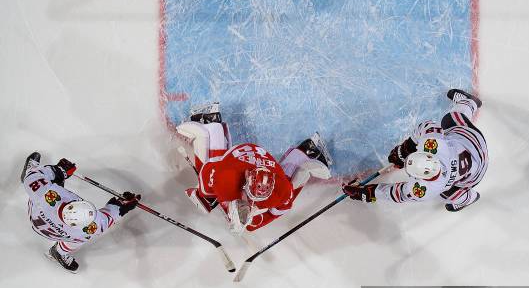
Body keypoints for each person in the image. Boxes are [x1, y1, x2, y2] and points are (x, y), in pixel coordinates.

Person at [175, 103, 331, 233]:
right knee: (212, 174)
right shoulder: (227, 177)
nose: (251, 202)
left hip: (265, 162)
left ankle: (309, 152)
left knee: (253, 221)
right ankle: (210, 123)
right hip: (239, 156)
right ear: (246, 179)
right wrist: (203, 195)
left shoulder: (281, 191)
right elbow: (207, 170)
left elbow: (278, 211)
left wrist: (253, 219)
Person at [342, 89, 488, 212]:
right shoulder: (434, 151)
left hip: (472, 163)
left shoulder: (426, 187)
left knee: (446, 192)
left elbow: (397, 194)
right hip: (473, 146)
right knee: (450, 121)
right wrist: (366, 192)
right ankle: (469, 103)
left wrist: (405, 149)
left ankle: (470, 101)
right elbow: (397, 194)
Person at [21, 152, 140, 273]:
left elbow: (30, 178)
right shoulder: (90, 228)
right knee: (79, 239)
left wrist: (58, 171)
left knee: (41, 178)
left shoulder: (45, 194)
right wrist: (122, 205)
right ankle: (59, 252)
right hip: (62, 235)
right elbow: (108, 218)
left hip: (36, 220)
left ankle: (34, 168)